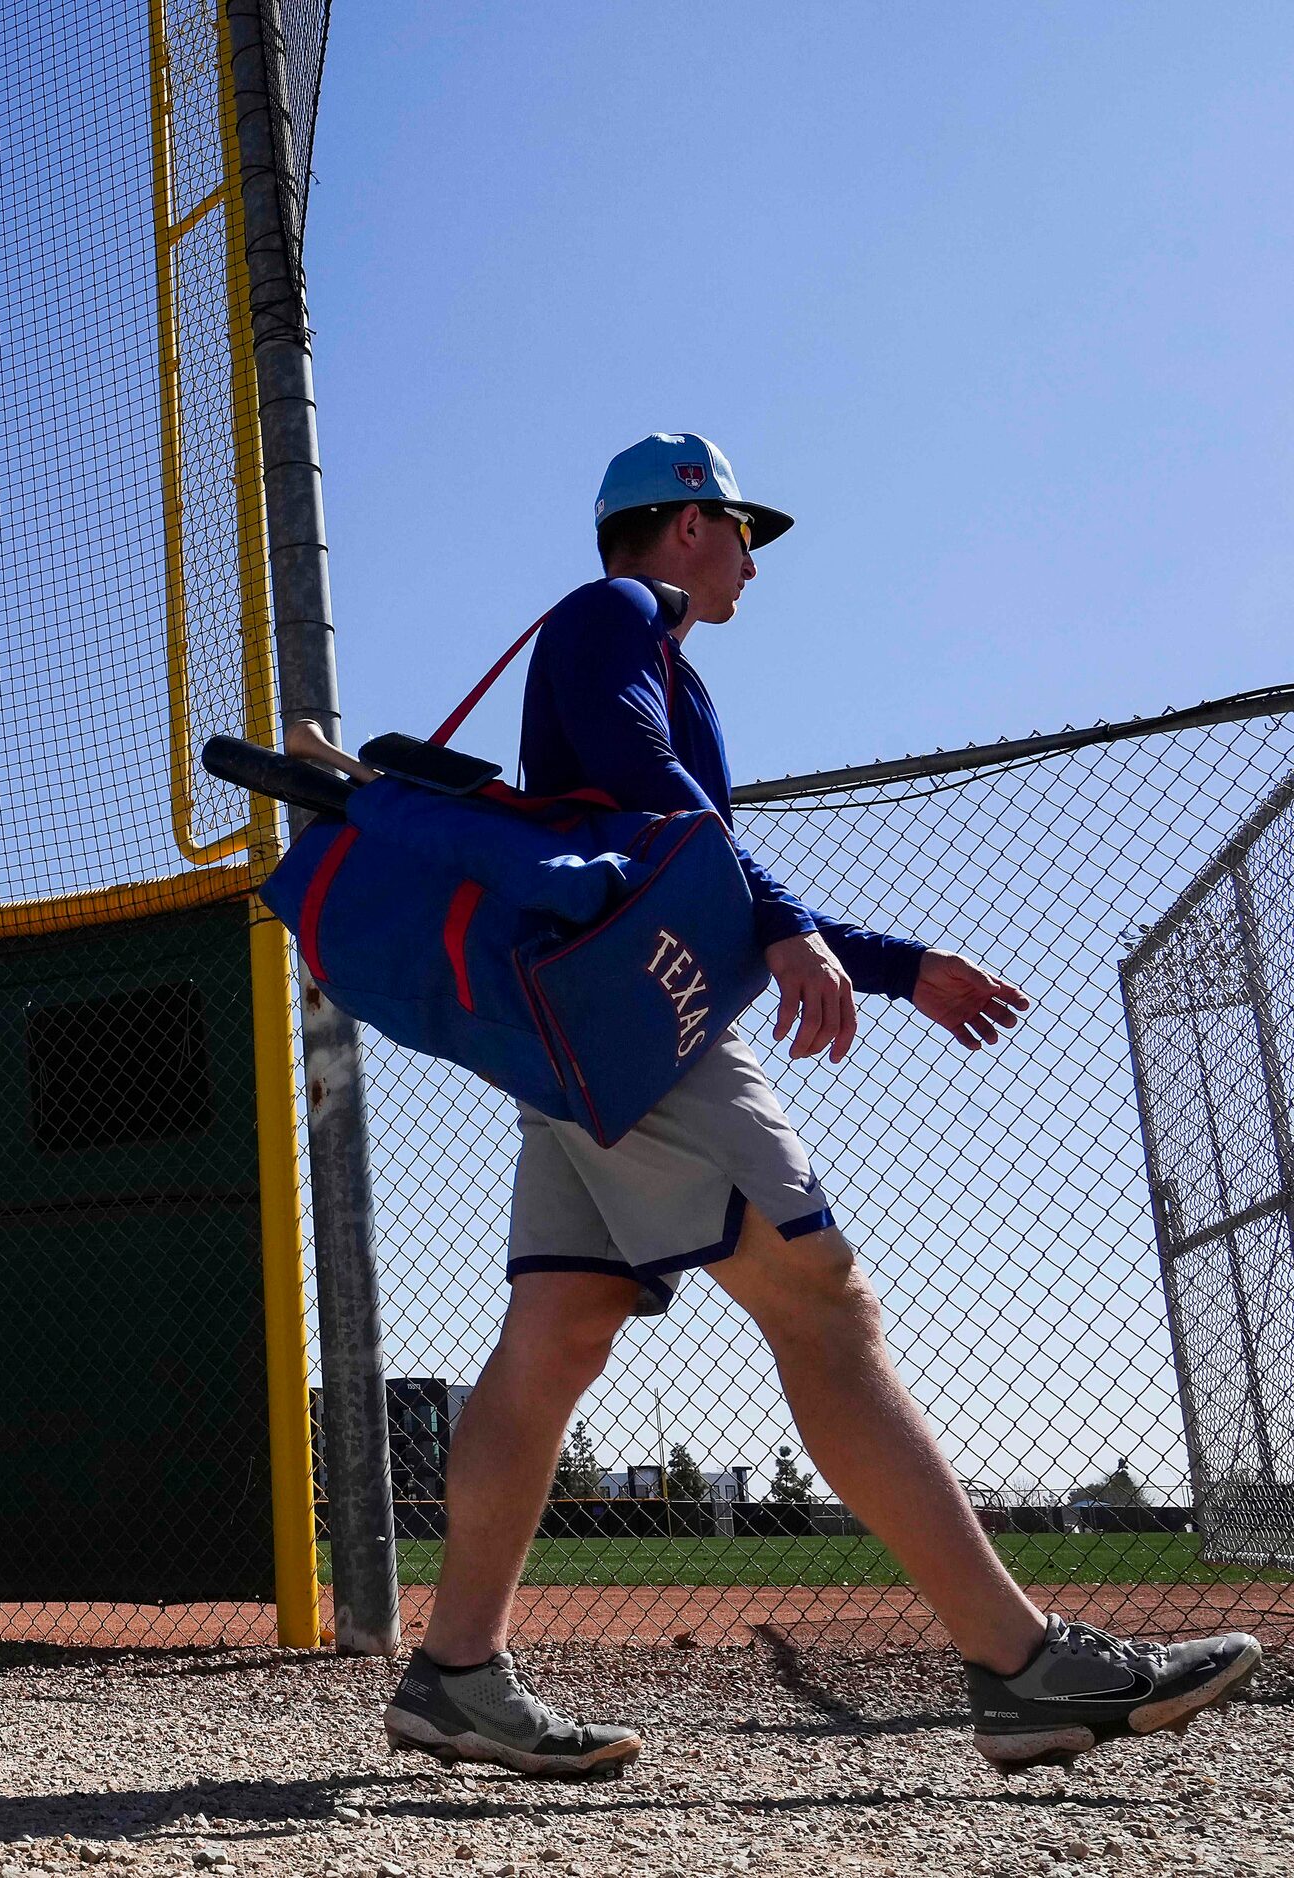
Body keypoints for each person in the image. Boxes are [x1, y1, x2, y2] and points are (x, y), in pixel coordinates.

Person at [344, 433, 1262, 1777]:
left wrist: (896, 967)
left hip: (588, 1023)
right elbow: (669, 821)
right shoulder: (617, 616)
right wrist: (783, 923)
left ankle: (456, 1674)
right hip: (648, 1022)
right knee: (822, 1303)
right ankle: (1021, 1665)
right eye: (738, 525)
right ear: (683, 525)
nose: (754, 557)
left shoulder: (656, 651)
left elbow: (688, 858)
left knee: (557, 1329)